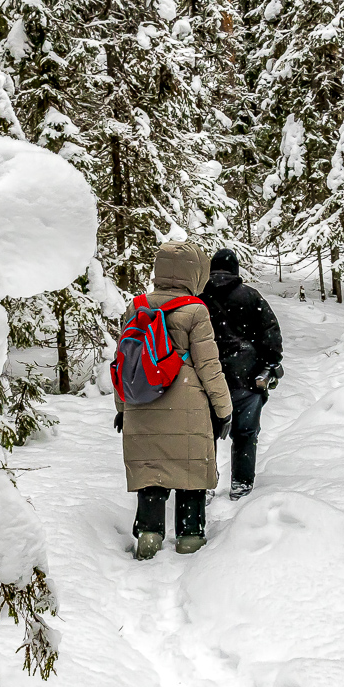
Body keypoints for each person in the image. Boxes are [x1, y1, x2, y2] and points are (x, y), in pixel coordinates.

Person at [114, 240, 233, 560]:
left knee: (151, 474)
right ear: (195, 273)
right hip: (188, 408)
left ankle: (149, 537)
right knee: (191, 474)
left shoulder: (137, 306)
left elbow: (123, 362)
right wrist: (223, 410)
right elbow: (209, 366)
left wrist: (123, 407)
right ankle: (189, 538)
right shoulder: (195, 310)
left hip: (141, 404)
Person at [200, 248, 284, 500]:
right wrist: (269, 365)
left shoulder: (198, 298)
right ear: (236, 269)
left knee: (205, 434)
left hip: (206, 379)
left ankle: (203, 485)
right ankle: (241, 483)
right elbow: (272, 336)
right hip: (246, 379)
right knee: (246, 434)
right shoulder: (251, 297)